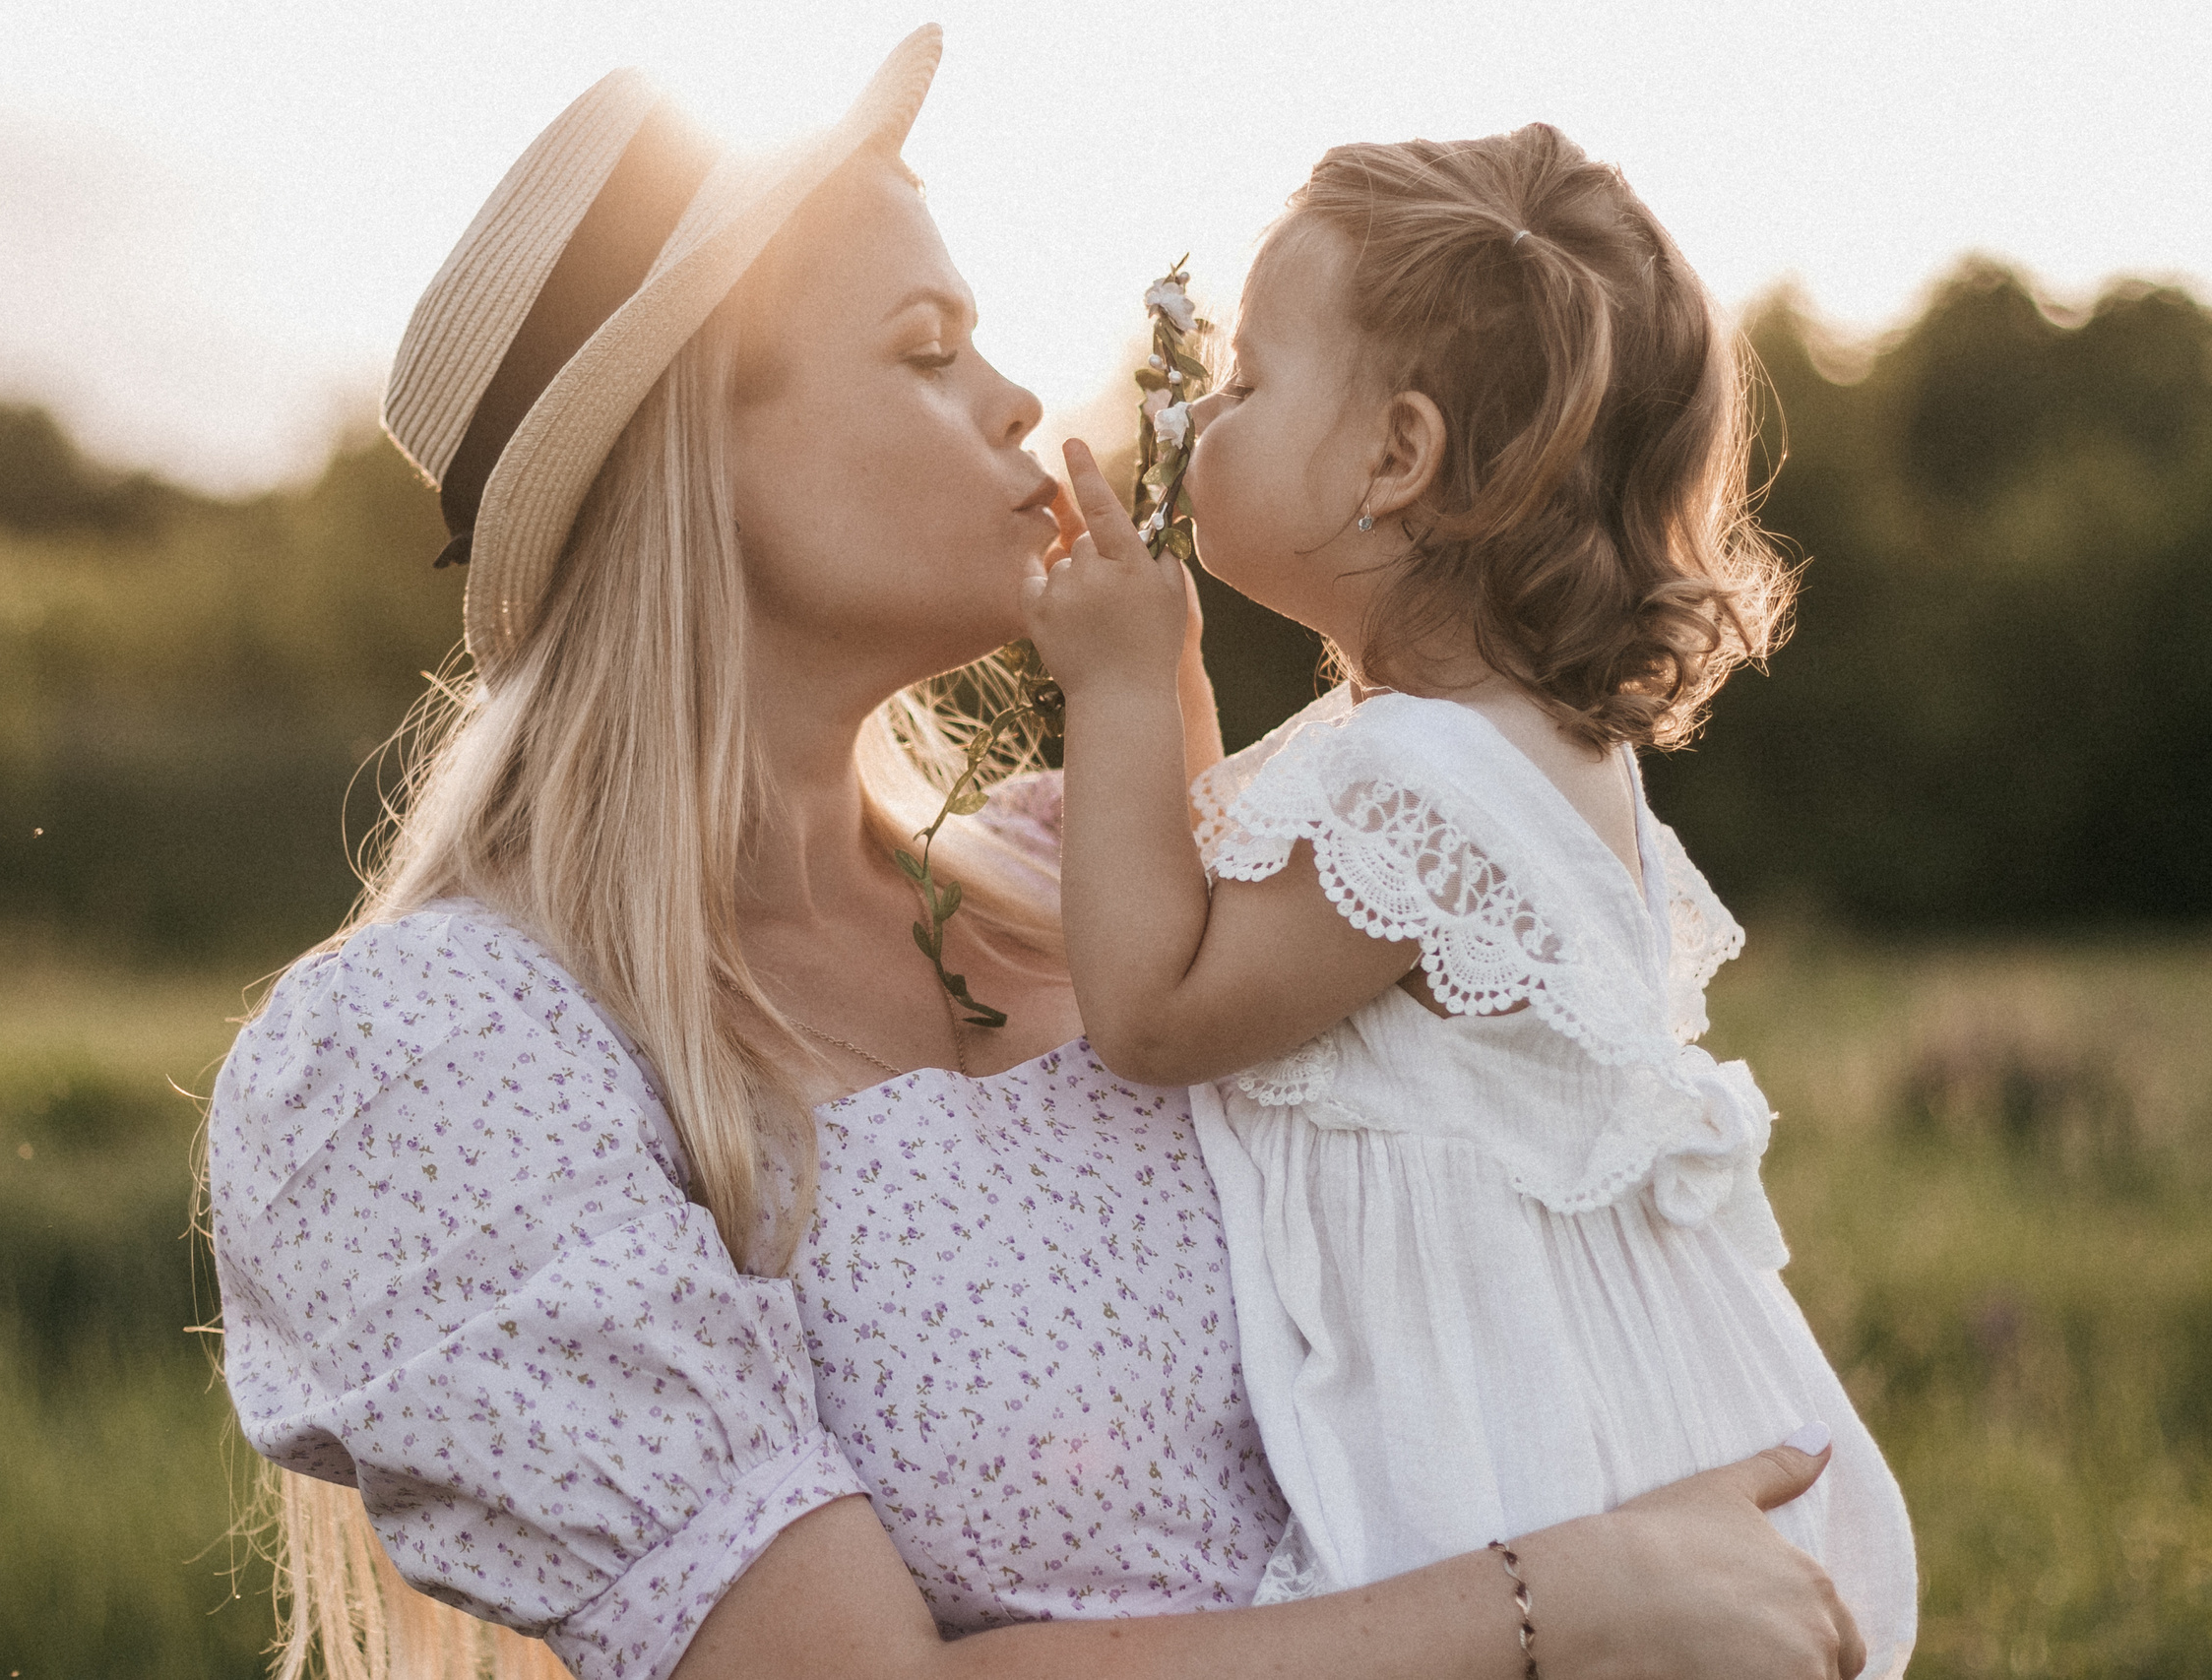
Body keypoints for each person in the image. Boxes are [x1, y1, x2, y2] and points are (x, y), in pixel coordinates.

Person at [205, 29, 1869, 1680]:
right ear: (691, 452)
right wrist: (1554, 1610)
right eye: (930, 352)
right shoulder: (458, 1055)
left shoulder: (1081, 881)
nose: (1016, 400)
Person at [1019, 126, 1915, 1671]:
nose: (1206, 416)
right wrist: (1164, 664)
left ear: (1395, 458)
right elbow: (1221, 905)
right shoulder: (1495, 753)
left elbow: (1161, 1013)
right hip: (1609, 1400)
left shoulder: (1421, 792)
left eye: (1245, 386)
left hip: (1520, 1451)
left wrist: (1104, 691)